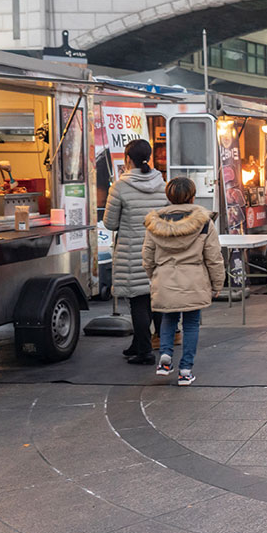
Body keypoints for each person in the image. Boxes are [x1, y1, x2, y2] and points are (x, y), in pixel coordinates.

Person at [142, 177, 225, 386]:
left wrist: (155, 275)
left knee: (169, 318)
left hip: (165, 278)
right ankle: (186, 370)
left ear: (169, 196)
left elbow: (147, 256)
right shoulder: (204, 221)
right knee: (191, 324)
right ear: (192, 196)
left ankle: (165, 357)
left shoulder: (154, 222)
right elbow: (213, 256)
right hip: (194, 280)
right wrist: (217, 283)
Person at [103, 139, 167, 364]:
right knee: (153, 297)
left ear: (127, 159)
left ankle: (145, 352)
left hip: (133, 253)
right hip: (158, 250)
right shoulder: (162, 183)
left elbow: (110, 223)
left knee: (138, 300)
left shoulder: (120, 186)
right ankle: (140, 343)